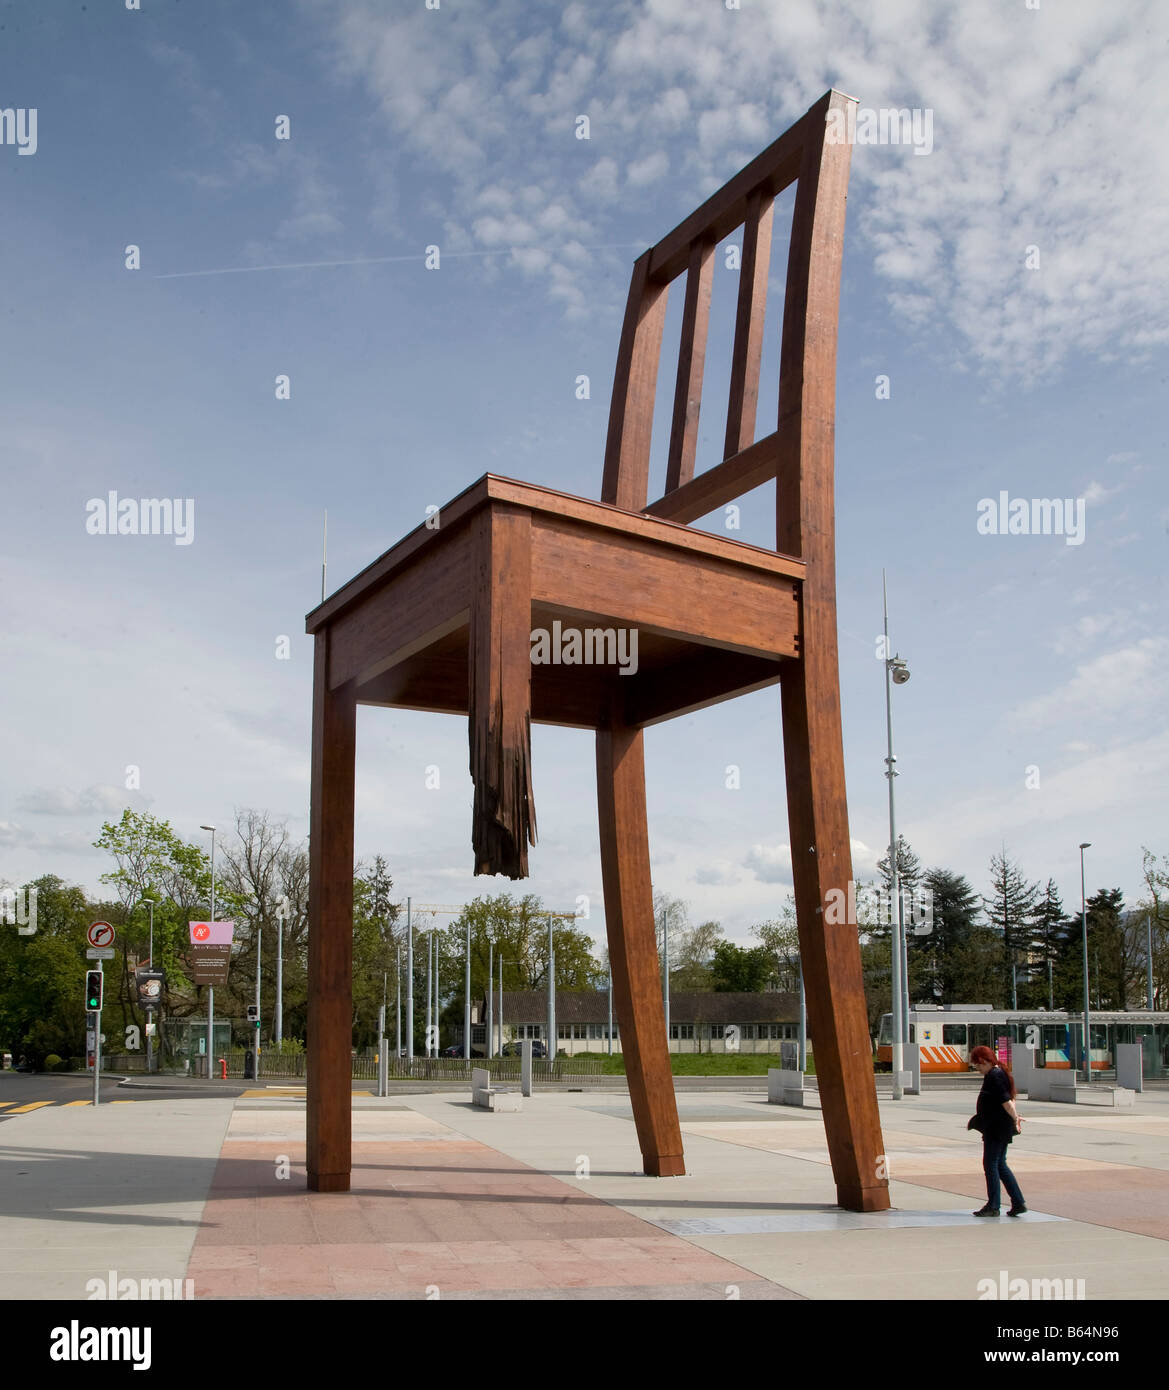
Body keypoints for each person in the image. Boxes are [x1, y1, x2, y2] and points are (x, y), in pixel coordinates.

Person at [967, 1044, 1026, 1218]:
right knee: (1000, 1164)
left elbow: (1006, 1101)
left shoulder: (995, 1076)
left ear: (985, 1061)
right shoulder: (998, 1073)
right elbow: (1010, 1098)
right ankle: (1017, 1202)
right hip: (998, 1126)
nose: (977, 1068)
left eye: (978, 1065)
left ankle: (993, 1205)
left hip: (996, 1128)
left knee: (991, 1164)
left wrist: (1015, 1118)